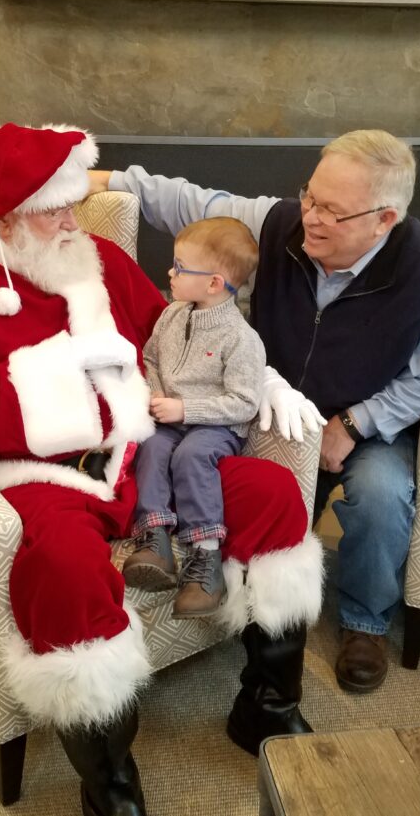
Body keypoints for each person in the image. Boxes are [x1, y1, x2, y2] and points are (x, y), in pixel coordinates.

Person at [0, 122, 324, 816]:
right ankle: (110, 782)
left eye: (73, 204)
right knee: (64, 566)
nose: (74, 221)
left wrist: (261, 378)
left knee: (272, 490)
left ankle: (266, 706)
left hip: (147, 452)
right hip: (43, 475)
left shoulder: (98, 260)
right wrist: (70, 377)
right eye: (55, 210)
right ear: (5, 217)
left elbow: (174, 330)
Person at [90, 128, 420, 694]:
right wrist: (107, 178)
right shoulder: (281, 224)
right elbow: (194, 204)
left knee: (381, 495)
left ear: (384, 219)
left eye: (332, 211)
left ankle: (365, 622)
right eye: (310, 196)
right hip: (265, 406)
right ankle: (230, 589)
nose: (311, 217)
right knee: (209, 468)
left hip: (364, 418)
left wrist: (356, 423)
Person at [123, 217, 266, 619]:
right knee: (152, 445)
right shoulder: (171, 316)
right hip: (170, 419)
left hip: (216, 427)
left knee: (191, 456)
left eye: (180, 267)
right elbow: (151, 357)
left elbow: (244, 403)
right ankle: (155, 538)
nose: (170, 273)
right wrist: (155, 392)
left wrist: (186, 408)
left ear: (214, 284)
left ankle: (205, 558)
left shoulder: (241, 339)